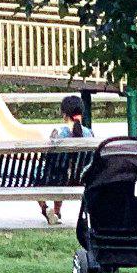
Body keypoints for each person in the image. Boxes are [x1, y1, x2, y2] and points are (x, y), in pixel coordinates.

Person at [42, 94, 91, 224]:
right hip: (80, 179)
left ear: (64, 114)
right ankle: (57, 212)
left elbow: (49, 159)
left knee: (39, 175)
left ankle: (46, 209)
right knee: (61, 175)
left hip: (55, 179)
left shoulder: (58, 133)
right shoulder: (89, 134)